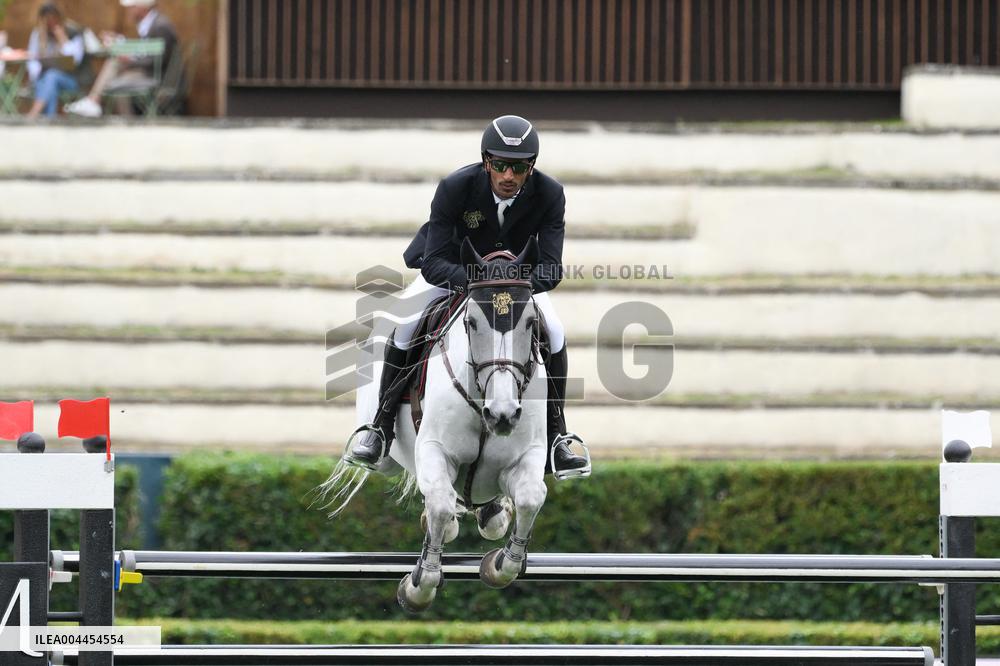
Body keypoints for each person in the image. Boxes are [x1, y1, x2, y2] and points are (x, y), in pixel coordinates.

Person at [345, 114, 590, 479]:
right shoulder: (456, 187)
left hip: (516, 283)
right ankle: (381, 428)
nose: (509, 176)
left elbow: (551, 268)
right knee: (403, 325)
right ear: (487, 161)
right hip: (455, 274)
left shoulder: (550, 194)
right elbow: (433, 261)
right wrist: (479, 283)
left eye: (519, 167)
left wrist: (511, 285)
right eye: (501, 165)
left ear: (531, 167)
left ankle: (556, 438)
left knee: (554, 332)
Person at [65, 0, 179, 118]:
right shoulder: (151, 23)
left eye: (131, 7)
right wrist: (122, 42)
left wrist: (130, 60)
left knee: (115, 66)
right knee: (116, 72)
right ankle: (113, 112)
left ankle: (95, 101)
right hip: (147, 72)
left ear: (142, 7)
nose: (128, 11)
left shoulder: (161, 25)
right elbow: (145, 51)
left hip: (158, 76)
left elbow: (157, 60)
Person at [24, 3, 94, 120]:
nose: (51, 23)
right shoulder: (38, 34)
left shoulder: (73, 32)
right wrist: (37, 73)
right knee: (48, 81)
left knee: (52, 76)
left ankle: (33, 115)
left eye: (53, 18)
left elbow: (75, 60)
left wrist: (62, 39)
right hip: (44, 80)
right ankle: (49, 121)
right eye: (47, 20)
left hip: (73, 80)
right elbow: (32, 61)